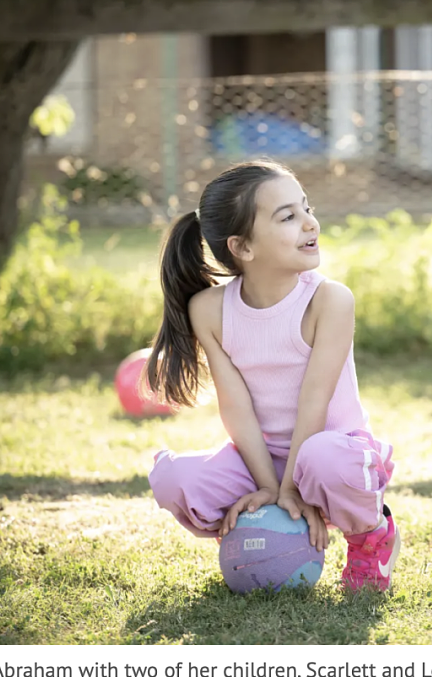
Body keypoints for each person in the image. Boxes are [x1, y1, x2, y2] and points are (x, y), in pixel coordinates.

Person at [145, 160, 400, 592]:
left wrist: (292, 488)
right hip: (258, 457)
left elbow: (314, 402)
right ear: (242, 247)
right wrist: (270, 488)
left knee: (323, 459)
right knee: (171, 480)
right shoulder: (208, 310)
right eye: (288, 216)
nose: (310, 223)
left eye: (306, 208)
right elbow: (236, 407)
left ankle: (371, 535)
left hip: (330, 450)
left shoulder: (329, 300)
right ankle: (259, 527)